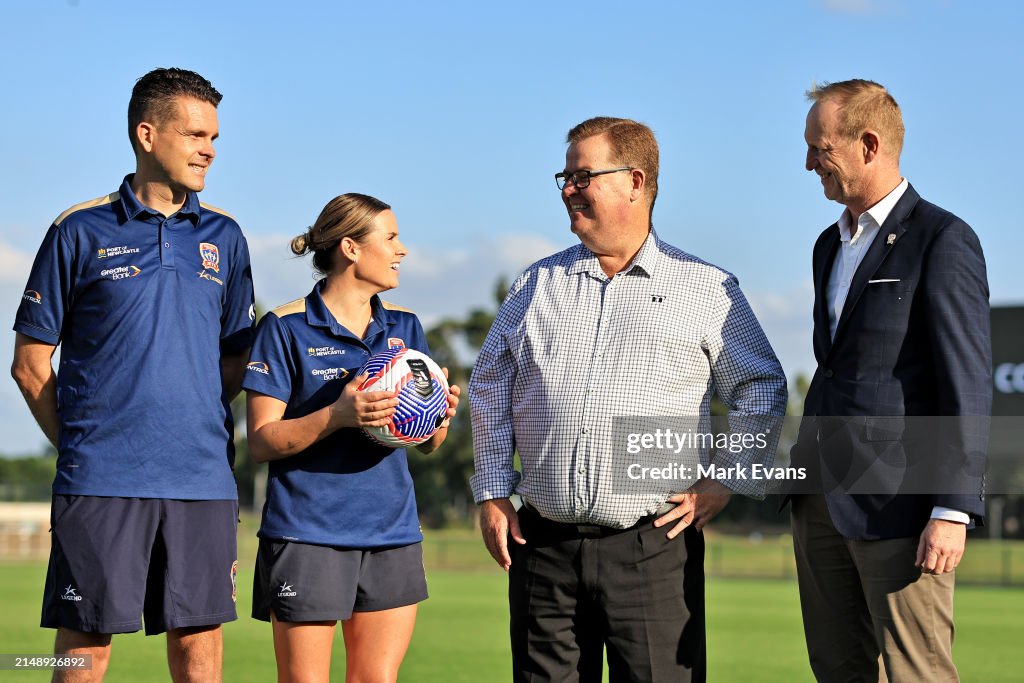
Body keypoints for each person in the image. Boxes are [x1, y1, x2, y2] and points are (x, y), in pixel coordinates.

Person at [469, 117, 787, 682]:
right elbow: (490, 384)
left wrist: (728, 474)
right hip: (542, 548)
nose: (568, 188)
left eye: (582, 176)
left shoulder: (706, 287)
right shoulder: (535, 285)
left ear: (635, 182)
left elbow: (759, 385)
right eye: (564, 177)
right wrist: (493, 489)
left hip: (653, 549)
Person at [11, 68, 255, 682]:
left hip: (201, 478)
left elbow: (234, 357)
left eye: (215, 137)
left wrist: (189, 411)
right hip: (101, 479)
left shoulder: (225, 237)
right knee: (83, 647)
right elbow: (30, 363)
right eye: (196, 134)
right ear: (147, 135)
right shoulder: (78, 230)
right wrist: (82, 445)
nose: (210, 150)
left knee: (198, 645)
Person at [787, 79, 991, 681]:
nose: (808, 164)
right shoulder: (829, 244)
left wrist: (953, 508)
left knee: (915, 672)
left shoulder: (943, 239)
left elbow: (968, 380)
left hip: (900, 506)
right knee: (837, 667)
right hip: (819, 498)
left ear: (868, 144)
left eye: (819, 149)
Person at [243, 193, 460, 683]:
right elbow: (260, 441)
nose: (402, 250)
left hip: (391, 533)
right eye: (390, 238)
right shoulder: (285, 326)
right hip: (307, 535)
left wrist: (437, 418)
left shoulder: (405, 326)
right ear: (351, 248)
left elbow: (427, 444)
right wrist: (337, 415)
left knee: (376, 680)